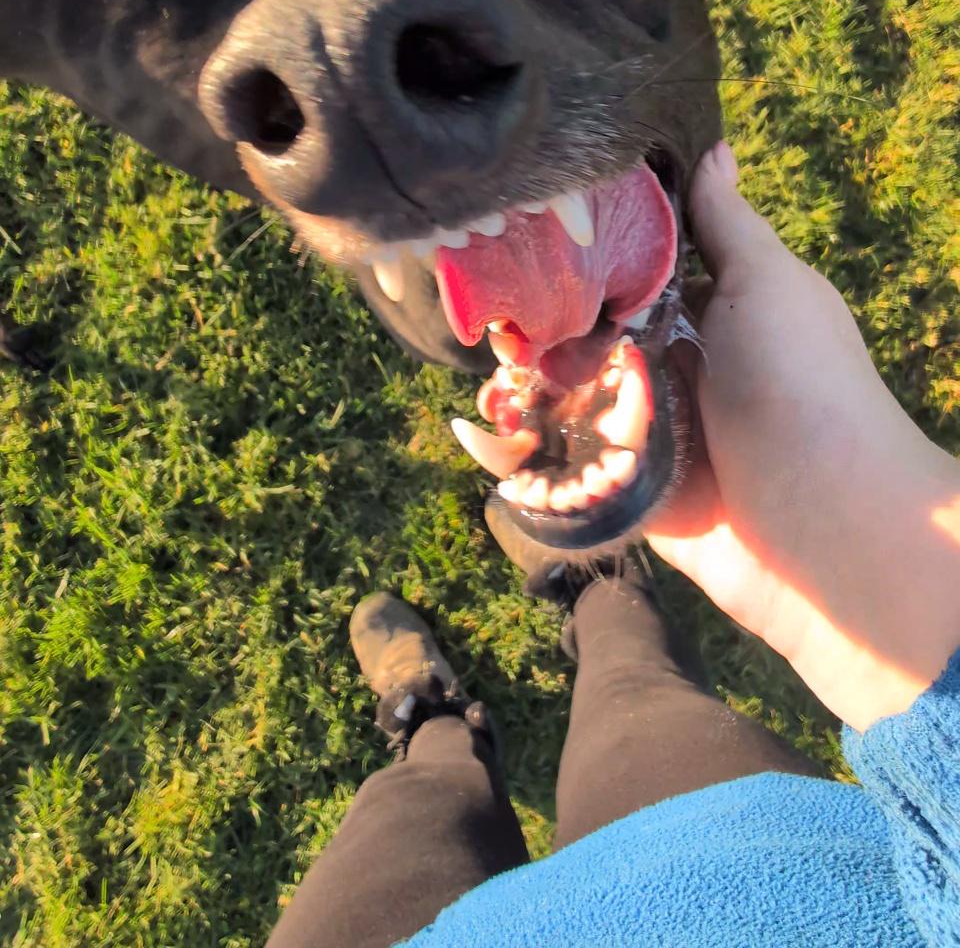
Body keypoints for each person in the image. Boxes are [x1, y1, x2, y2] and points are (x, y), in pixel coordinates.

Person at [267, 142, 960, 948]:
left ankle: (431, 719)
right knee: (638, 690)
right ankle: (600, 592)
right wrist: (858, 535)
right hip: (735, 886)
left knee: (409, 805)